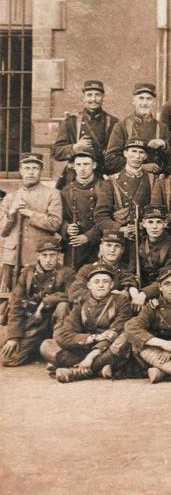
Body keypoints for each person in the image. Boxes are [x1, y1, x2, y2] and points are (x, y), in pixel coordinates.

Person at [42, 265, 132, 383]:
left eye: (105, 282)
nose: (101, 285)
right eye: (96, 282)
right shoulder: (82, 301)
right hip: (84, 349)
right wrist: (93, 338)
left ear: (111, 285)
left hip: (107, 349)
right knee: (46, 345)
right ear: (89, 286)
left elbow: (115, 332)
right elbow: (64, 333)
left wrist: (91, 357)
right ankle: (99, 368)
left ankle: (77, 372)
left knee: (125, 338)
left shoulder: (121, 301)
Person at [0, 153, 63, 307]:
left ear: (41, 171)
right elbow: (3, 231)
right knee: (8, 303)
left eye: (35, 168)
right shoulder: (10, 197)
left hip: (37, 258)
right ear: (21, 171)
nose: (30, 172)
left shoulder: (52, 194)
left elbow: (55, 223)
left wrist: (30, 213)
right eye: (27, 168)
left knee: (35, 301)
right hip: (13, 258)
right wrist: (11, 214)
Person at [1, 239, 74, 367]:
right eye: (44, 255)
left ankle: (56, 345)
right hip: (34, 322)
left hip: (53, 322)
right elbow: (17, 304)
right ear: (38, 256)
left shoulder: (66, 273)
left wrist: (47, 301)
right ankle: (37, 347)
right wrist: (14, 337)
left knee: (63, 306)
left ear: (59, 256)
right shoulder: (27, 273)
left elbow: (72, 294)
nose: (48, 260)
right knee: (10, 359)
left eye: (52, 255)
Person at [52, 80, 118, 180]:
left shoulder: (113, 122)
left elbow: (117, 153)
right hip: (75, 177)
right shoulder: (71, 122)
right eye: (89, 95)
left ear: (103, 97)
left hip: (101, 175)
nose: (93, 99)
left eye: (98, 95)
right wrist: (75, 148)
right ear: (83, 97)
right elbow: (56, 152)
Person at [105, 83, 170, 175]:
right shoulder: (122, 126)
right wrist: (141, 167)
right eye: (141, 98)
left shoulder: (162, 127)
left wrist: (164, 145)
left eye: (149, 99)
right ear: (133, 101)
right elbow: (110, 159)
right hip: (129, 180)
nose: (144, 103)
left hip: (155, 181)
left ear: (154, 102)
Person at [60, 149, 105, 268]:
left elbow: (108, 217)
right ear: (74, 167)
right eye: (78, 165)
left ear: (94, 165)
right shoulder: (66, 190)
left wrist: (88, 237)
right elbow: (60, 217)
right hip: (75, 245)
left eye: (86, 164)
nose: (82, 168)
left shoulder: (104, 187)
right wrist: (67, 228)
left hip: (99, 242)